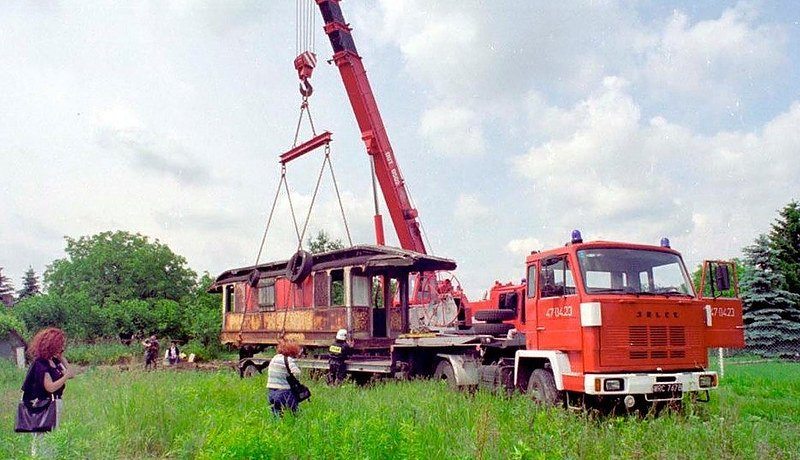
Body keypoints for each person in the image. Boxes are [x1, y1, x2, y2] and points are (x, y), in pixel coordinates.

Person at [21, 327, 75, 455]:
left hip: (54, 403)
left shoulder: (54, 361)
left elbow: (71, 374)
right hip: (43, 405)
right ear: (52, 344)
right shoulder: (41, 363)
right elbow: (50, 387)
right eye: (60, 344)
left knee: (51, 436)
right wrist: (65, 376)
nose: (62, 347)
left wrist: (62, 359)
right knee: (42, 438)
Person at [266, 340, 304, 415]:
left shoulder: (274, 358)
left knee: (276, 415)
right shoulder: (288, 360)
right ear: (292, 351)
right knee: (295, 412)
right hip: (284, 392)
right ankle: (295, 423)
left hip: (271, 393)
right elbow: (297, 373)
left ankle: (277, 425)